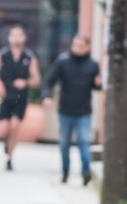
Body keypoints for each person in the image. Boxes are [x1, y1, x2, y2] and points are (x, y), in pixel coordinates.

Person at [43, 33, 102, 185]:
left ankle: (86, 172)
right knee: (64, 144)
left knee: (84, 142)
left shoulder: (92, 65)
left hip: (84, 111)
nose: (77, 48)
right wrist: (47, 95)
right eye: (75, 45)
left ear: (87, 47)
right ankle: (65, 172)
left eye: (81, 46)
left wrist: (99, 84)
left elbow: (96, 86)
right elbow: (49, 80)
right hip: (65, 110)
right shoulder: (63, 61)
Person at [0, 24, 41, 172]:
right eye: (14, 35)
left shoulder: (29, 57)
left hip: (20, 97)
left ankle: (9, 158)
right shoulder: (2, 55)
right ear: (9, 38)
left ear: (24, 38)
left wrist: (25, 82)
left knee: (15, 127)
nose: (16, 38)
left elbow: (36, 80)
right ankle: (6, 143)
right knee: (3, 130)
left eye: (19, 35)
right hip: (5, 96)